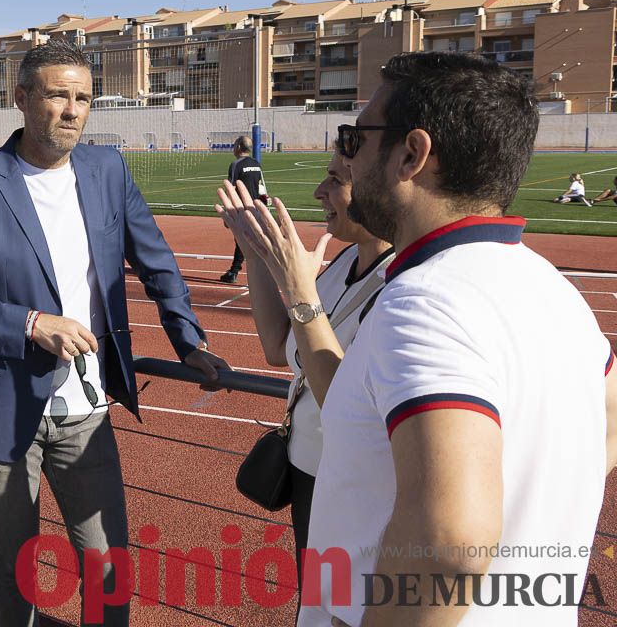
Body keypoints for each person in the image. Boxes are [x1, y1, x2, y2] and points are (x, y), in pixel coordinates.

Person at [0, 39, 229, 627]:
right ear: (21, 98)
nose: (72, 110)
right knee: (15, 570)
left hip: (85, 410)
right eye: (58, 96)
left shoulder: (107, 169)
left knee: (108, 566)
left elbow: (156, 261)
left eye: (83, 98)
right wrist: (31, 324)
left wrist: (188, 340)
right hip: (4, 409)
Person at [300, 52, 617, 626]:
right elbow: (607, 428)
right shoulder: (558, 291)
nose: (347, 158)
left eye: (354, 138)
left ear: (412, 154)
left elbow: (448, 545)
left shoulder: (424, 303)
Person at [215, 151, 393, 600]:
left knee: (342, 606)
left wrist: (298, 286)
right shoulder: (344, 262)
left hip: (350, 487)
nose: (319, 192)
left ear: (378, 186)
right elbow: (278, 347)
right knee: (314, 602)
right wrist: (255, 253)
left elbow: (348, 401)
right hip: (309, 471)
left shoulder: (402, 287)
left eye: (335, 180)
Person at [219, 135, 267, 284]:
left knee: (242, 240)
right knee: (249, 239)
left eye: (235, 145)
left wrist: (228, 212)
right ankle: (235, 271)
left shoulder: (236, 165)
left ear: (239, 147)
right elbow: (262, 186)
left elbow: (231, 188)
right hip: (256, 207)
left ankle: (235, 271)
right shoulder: (256, 164)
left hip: (241, 208)